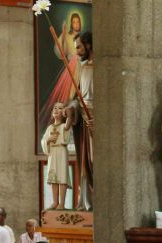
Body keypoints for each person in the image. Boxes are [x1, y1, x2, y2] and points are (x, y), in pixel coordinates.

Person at [68, 32, 93, 211]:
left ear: (89, 45)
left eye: (79, 47)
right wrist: (71, 109)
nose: (77, 51)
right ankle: (85, 202)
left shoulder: (99, 68)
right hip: (84, 121)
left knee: (93, 162)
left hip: (95, 123)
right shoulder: (82, 68)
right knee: (84, 162)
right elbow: (79, 98)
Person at [42, 102, 74, 210]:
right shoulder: (50, 127)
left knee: (62, 176)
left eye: (60, 108)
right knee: (53, 177)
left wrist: (69, 115)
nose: (56, 110)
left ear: (63, 113)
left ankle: (62, 203)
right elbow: (44, 140)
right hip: (52, 153)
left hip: (61, 151)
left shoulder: (63, 126)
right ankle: (55, 202)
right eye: (55, 108)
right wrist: (48, 140)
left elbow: (68, 124)